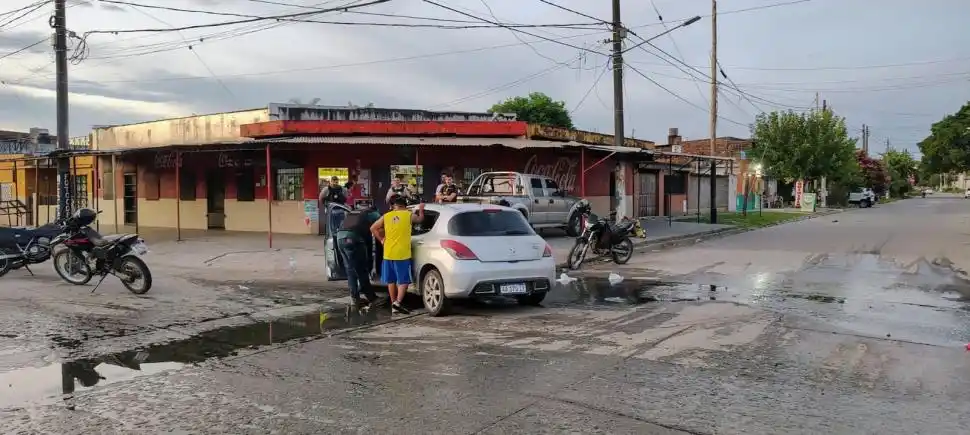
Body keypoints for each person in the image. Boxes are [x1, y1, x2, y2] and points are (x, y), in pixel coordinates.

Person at [370, 196, 424, 314]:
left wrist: (382, 239)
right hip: (402, 254)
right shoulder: (408, 215)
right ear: (405, 206)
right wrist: (420, 209)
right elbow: (420, 219)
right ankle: (398, 303)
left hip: (388, 253)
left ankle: (393, 303)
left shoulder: (386, 216)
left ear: (395, 206)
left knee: (391, 280)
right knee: (403, 281)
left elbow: (373, 228)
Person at [335, 206, 382, 308]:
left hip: (340, 238)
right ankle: (372, 298)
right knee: (362, 269)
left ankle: (355, 298)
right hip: (353, 238)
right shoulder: (374, 214)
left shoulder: (354, 213)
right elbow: (381, 226)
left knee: (350, 270)